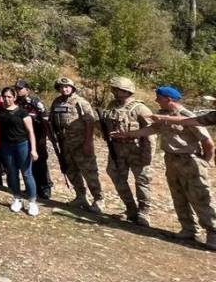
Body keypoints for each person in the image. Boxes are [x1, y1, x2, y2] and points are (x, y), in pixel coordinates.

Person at [115, 86, 216, 250]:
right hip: (171, 160)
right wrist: (127, 134)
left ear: (169, 99)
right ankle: (188, 229)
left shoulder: (186, 116)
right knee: (178, 195)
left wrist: (204, 162)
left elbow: (208, 143)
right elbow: (150, 130)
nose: (156, 100)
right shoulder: (163, 116)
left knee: (200, 197)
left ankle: (213, 233)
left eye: (159, 97)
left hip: (190, 161)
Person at [101, 76, 154, 227]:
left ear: (126, 91)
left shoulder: (140, 108)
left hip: (136, 150)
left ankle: (144, 212)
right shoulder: (112, 105)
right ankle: (130, 209)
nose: (114, 92)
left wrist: (148, 154)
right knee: (116, 175)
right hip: (117, 149)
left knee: (142, 181)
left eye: (117, 89)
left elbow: (151, 133)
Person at [49, 77, 103, 213]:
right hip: (64, 144)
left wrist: (88, 142)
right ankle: (80, 196)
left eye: (67, 86)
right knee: (71, 170)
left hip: (80, 143)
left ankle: (98, 199)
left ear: (72, 88)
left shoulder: (81, 102)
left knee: (89, 172)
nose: (64, 89)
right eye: (61, 87)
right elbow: (51, 120)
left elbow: (90, 122)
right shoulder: (56, 102)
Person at [0, 87, 41, 216]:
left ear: (14, 98)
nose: (6, 99)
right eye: (4, 96)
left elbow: (30, 132)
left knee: (27, 173)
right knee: (12, 173)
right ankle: (17, 198)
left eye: (9, 96)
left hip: (22, 145)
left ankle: (32, 201)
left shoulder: (22, 113)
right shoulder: (0, 112)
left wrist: (33, 149)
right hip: (6, 146)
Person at [15, 80, 52, 200]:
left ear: (27, 89)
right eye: (17, 89)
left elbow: (45, 118)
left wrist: (44, 136)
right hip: (23, 136)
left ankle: (45, 187)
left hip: (38, 136)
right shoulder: (16, 103)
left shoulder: (35, 102)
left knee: (40, 162)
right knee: (27, 162)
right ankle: (31, 187)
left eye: (20, 89)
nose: (18, 91)